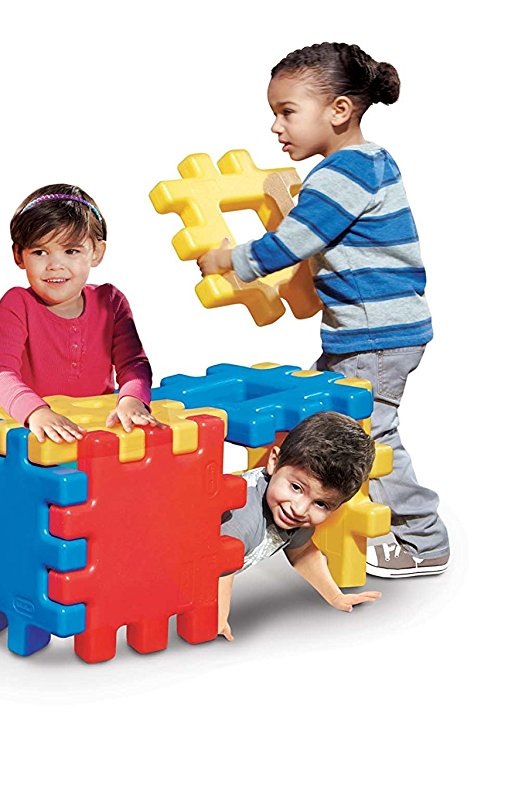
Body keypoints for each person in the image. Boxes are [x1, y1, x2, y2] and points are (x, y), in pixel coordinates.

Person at [197, 43, 447, 577]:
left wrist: (227, 260)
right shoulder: (369, 163)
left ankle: (423, 538)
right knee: (313, 419)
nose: (275, 126)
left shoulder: (343, 173)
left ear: (339, 110)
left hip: (374, 337)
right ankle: (297, 515)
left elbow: (293, 242)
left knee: (367, 436)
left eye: (287, 112)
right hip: (370, 334)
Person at [0, 184, 157, 443]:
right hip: (36, 434)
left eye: (71, 251)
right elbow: (0, 371)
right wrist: (36, 412)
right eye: (40, 252)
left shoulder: (111, 301)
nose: (55, 265)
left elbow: (133, 363)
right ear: (19, 255)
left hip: (99, 431)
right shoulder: (17, 304)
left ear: (97, 252)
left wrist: (132, 399)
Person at [217, 412, 382, 639]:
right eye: (296, 487)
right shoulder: (243, 516)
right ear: (274, 462)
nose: (300, 509)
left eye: (321, 504)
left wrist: (335, 596)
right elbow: (218, 568)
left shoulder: (290, 512)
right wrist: (217, 619)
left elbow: (303, 553)